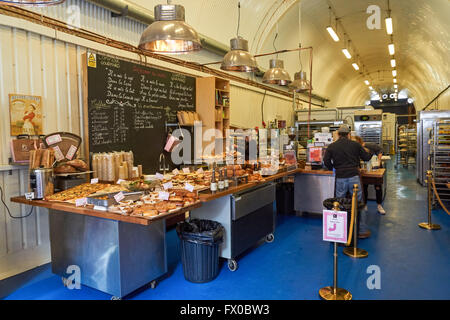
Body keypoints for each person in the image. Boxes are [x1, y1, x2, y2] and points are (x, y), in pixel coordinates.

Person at [323, 124, 373, 238]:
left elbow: (326, 161)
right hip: (354, 176)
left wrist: (333, 168)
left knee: (339, 203)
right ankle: (362, 230)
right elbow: (366, 157)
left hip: (340, 176)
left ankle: (340, 230)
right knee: (359, 203)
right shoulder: (355, 144)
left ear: (339, 134)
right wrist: (369, 152)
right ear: (349, 134)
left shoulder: (332, 146)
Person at [353, 136, 386, 215]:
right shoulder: (355, 148)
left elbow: (380, 149)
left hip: (375, 167)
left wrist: (379, 160)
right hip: (364, 168)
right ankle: (364, 205)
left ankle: (379, 205)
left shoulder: (368, 145)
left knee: (378, 187)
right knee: (364, 187)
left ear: (360, 142)